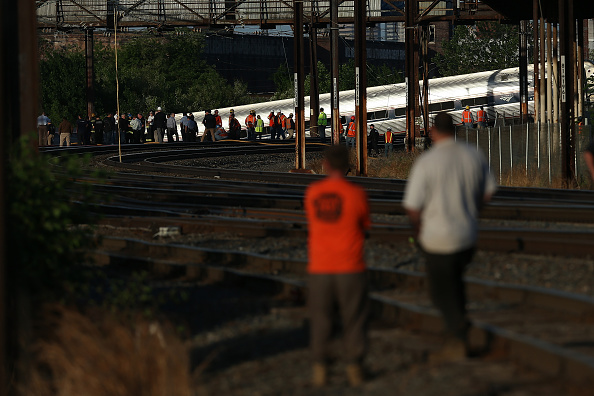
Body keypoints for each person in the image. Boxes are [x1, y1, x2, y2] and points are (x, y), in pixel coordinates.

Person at [403, 112, 496, 361]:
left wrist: (417, 230)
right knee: (456, 283)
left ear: (433, 132)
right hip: (467, 236)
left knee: (440, 291)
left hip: (436, 239)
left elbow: (412, 206)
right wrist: (472, 210)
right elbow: (488, 192)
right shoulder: (473, 155)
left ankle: (457, 335)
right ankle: (459, 329)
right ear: (455, 129)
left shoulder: (427, 162)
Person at [305, 145, 370, 388]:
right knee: (354, 318)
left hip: (320, 267)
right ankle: (354, 368)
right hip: (351, 266)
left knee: (321, 319)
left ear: (326, 164)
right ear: (347, 166)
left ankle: (320, 370)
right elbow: (364, 225)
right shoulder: (357, 194)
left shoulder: (313, 193)